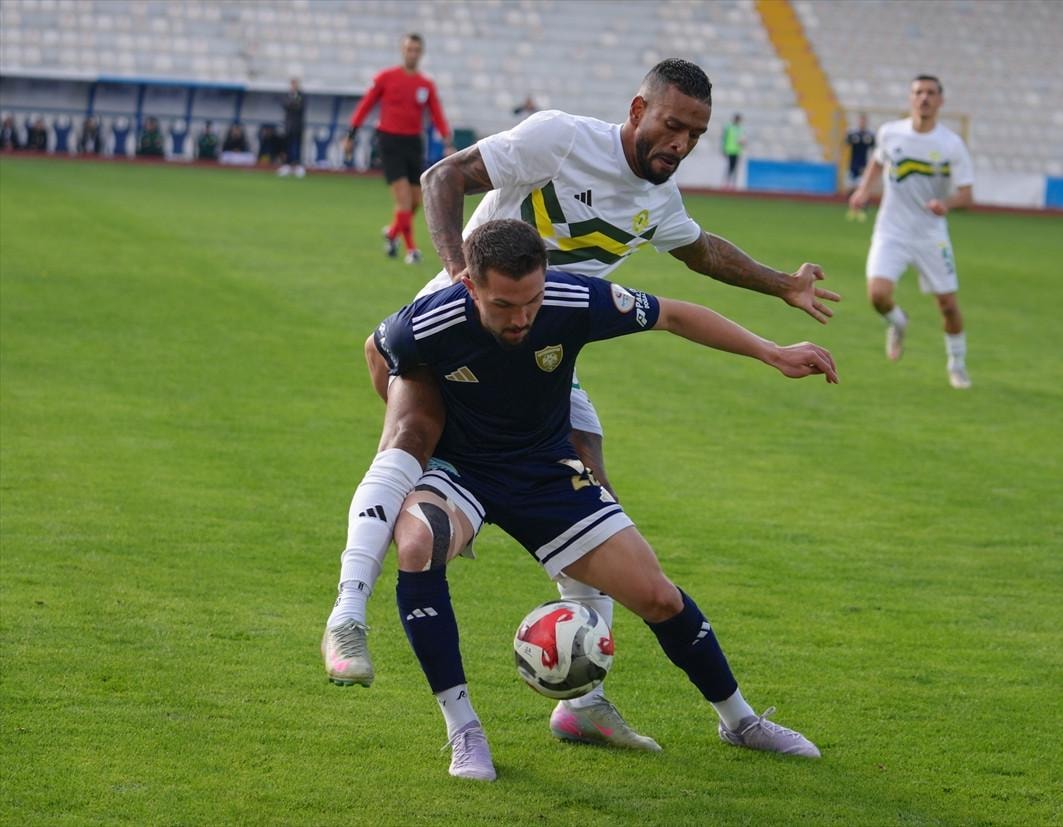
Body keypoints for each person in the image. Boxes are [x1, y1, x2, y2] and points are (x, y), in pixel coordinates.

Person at [321, 58, 840, 752]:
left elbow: (702, 254)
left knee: (595, 501)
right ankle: (350, 611)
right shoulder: (561, 139)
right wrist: (458, 277)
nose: (682, 143)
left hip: (543, 356)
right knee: (412, 444)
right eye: (673, 125)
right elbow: (443, 176)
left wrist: (782, 286)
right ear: (638, 110)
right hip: (461, 335)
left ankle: (585, 700)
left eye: (696, 133)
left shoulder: (657, 202)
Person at [370, 218, 836, 780]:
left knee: (658, 596)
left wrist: (771, 352)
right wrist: (416, 438)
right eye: (503, 305)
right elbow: (378, 353)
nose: (520, 318)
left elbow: (675, 314)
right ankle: (464, 731)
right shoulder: (430, 320)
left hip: (546, 472)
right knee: (418, 546)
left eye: (532, 301)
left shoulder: (573, 299)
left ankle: (740, 721)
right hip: (461, 471)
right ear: (470, 285)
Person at [849, 75, 974, 389]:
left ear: (940, 101)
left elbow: (966, 194)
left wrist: (946, 204)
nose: (924, 98)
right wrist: (863, 190)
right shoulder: (890, 133)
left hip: (931, 235)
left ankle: (957, 364)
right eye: (918, 92)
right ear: (910, 98)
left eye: (931, 93)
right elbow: (878, 162)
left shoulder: (951, 145)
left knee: (948, 306)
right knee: (877, 296)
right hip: (891, 231)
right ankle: (898, 321)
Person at [344, 33, 453, 262]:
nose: (412, 53)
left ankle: (393, 233)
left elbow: (436, 113)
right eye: (409, 49)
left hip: (413, 142)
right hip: (389, 140)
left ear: (421, 53)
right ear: (402, 51)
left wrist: (447, 141)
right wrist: (351, 134)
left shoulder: (426, 84)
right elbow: (366, 105)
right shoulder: (386, 77)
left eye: (416, 50)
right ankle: (411, 250)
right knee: (403, 199)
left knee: (416, 201)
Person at [844, 114, 875, 221]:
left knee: (862, 188)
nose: (862, 123)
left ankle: (862, 210)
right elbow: (846, 143)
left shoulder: (869, 135)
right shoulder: (853, 134)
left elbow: (874, 150)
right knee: (850, 188)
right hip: (852, 165)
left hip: (863, 166)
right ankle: (853, 209)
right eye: (861, 121)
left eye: (863, 121)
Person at [279, 78, 306, 177]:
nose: (294, 86)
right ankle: (287, 165)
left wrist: (292, 103)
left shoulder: (301, 96)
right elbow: (285, 105)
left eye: (295, 84)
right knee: (287, 147)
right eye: (292, 84)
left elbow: (300, 106)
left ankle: (297, 166)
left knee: (297, 147)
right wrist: (294, 103)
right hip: (288, 126)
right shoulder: (287, 95)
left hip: (298, 126)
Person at [721, 113, 744, 189]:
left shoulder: (741, 129)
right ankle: (727, 183)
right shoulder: (728, 127)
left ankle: (733, 184)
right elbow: (724, 138)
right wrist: (723, 148)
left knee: (734, 168)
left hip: (737, 151)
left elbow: (743, 140)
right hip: (729, 150)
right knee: (730, 167)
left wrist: (743, 143)